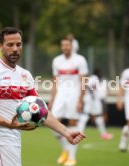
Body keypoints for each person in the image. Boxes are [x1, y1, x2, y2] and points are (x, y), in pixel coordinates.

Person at [0, 27, 86, 166]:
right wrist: (9, 125)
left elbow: (41, 111)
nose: (15, 49)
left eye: (19, 44)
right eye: (10, 45)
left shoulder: (25, 75)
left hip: (13, 138)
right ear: (0, 46)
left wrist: (66, 132)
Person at [48, 37, 88, 166]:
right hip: (60, 95)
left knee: (72, 123)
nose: (65, 47)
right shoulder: (57, 61)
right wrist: (52, 100)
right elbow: (55, 82)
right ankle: (65, 148)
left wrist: (81, 100)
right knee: (52, 122)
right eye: (63, 45)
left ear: (72, 46)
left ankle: (71, 157)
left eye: (67, 45)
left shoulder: (80, 60)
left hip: (74, 95)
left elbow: (83, 81)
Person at [77, 68, 113, 140]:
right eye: (100, 72)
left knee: (97, 116)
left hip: (93, 100)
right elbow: (86, 85)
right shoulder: (94, 78)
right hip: (92, 100)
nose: (101, 74)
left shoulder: (94, 79)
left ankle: (103, 133)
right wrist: (92, 94)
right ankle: (78, 132)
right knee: (86, 116)